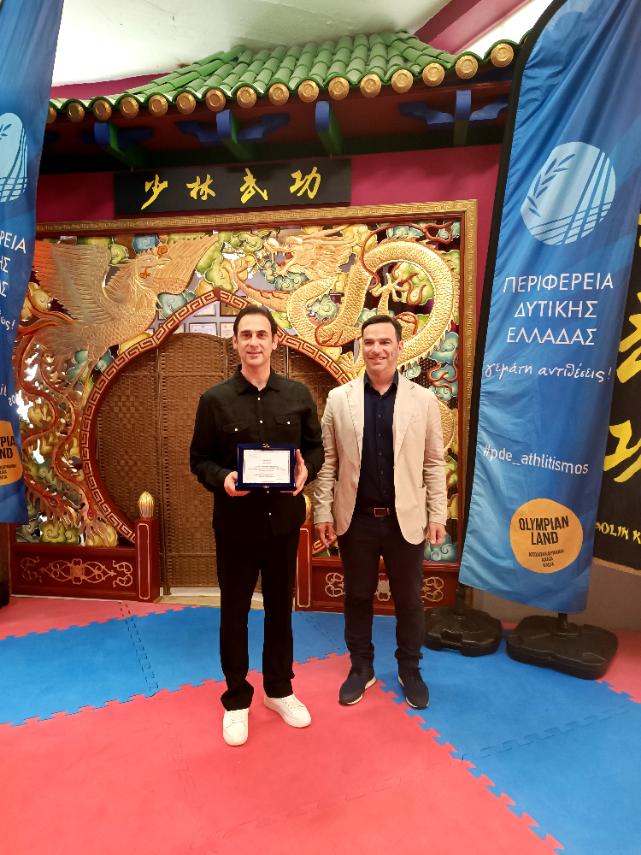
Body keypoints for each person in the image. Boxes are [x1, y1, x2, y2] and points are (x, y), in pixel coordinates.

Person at [190, 304, 324, 746]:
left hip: (283, 524)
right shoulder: (214, 400)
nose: (253, 342)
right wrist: (223, 478)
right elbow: (199, 460)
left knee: (280, 610)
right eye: (245, 335)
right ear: (235, 343)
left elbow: (316, 450)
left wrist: (306, 473)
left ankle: (279, 690)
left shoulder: (298, 396)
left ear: (274, 341)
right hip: (235, 526)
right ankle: (236, 699)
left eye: (261, 334)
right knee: (234, 613)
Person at [313, 314, 447, 710]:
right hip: (356, 519)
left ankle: (410, 669)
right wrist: (322, 513)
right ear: (361, 347)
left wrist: (437, 514)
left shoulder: (423, 400)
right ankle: (361, 667)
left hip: (406, 518)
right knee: (357, 595)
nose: (376, 349)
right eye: (369, 342)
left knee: (409, 599)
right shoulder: (339, 399)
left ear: (399, 347)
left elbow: (434, 462)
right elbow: (328, 462)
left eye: (385, 342)